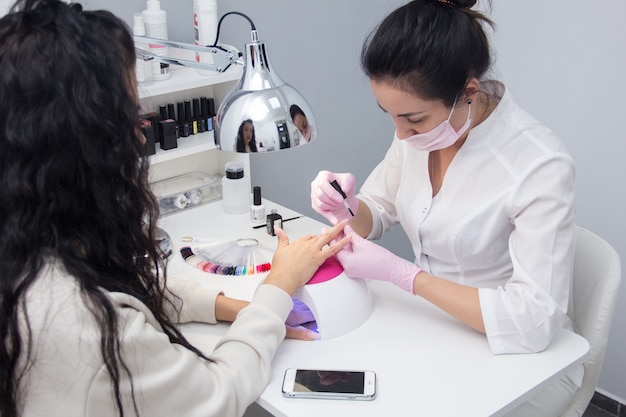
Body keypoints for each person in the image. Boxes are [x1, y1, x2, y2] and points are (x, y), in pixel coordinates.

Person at [0, 1, 350, 416]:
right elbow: (217, 394)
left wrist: (234, 308)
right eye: (129, 115)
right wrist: (277, 288)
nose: (140, 133)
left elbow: (128, 287)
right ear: (84, 143)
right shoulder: (87, 327)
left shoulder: (26, 249)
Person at [310, 0, 578, 415]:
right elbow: (379, 211)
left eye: (413, 118)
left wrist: (405, 276)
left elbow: (534, 322)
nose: (400, 132)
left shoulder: (539, 164)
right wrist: (347, 206)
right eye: (390, 115)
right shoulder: (420, 134)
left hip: (517, 356)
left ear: (468, 92)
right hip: (432, 327)